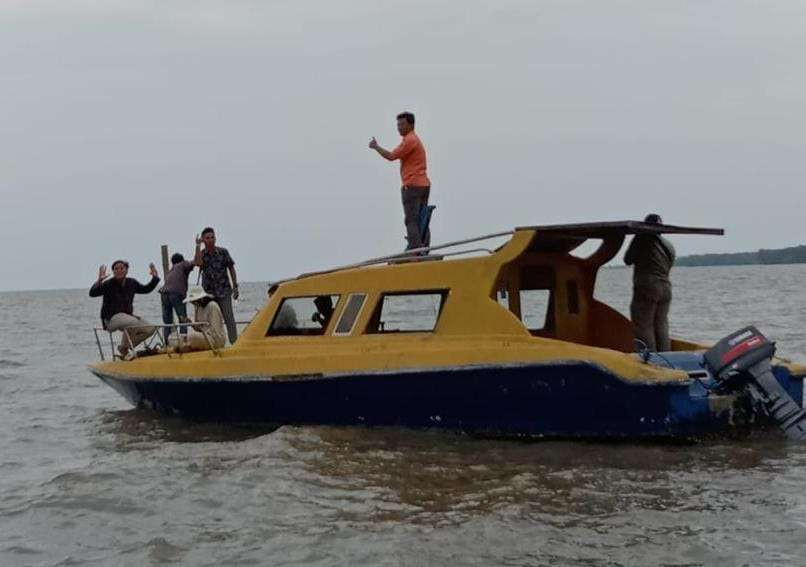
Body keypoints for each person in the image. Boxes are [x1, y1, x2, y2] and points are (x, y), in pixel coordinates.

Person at [369, 111, 432, 250]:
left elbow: (391, 156)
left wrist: (376, 147)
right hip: (423, 185)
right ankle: (423, 247)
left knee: (411, 220)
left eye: (402, 124)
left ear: (411, 125)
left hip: (413, 186)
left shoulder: (410, 140)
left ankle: (416, 251)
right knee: (422, 218)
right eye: (398, 125)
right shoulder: (412, 140)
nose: (399, 127)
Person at [624, 213, 676, 352]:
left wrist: (636, 237)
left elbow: (627, 259)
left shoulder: (642, 239)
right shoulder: (668, 245)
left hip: (648, 286)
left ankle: (649, 359)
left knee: (643, 324)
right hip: (666, 287)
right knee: (661, 324)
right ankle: (666, 357)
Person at [89, 260, 160, 358]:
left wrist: (155, 278)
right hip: (110, 319)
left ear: (126, 270)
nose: (119, 270)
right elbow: (92, 293)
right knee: (133, 322)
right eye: (116, 269)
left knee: (151, 329)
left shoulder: (132, 282)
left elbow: (146, 289)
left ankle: (124, 347)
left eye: (122, 268)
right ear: (113, 271)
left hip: (127, 317)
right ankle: (125, 347)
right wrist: (99, 281)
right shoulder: (108, 284)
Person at [194, 227, 239, 344]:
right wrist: (197, 246)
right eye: (207, 238)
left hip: (224, 291)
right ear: (203, 240)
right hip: (209, 294)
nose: (211, 240)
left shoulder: (223, 252)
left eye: (212, 237)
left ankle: (235, 345)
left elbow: (231, 268)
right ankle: (213, 345)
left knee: (229, 319)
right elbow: (198, 263)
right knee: (210, 321)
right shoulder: (202, 254)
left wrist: (235, 286)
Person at [160, 252, 195, 341]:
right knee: (182, 319)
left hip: (164, 293)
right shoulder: (183, 264)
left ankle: (167, 344)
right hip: (176, 293)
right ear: (182, 260)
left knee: (167, 322)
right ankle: (183, 341)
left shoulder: (170, 271)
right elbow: (194, 262)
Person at [183, 285, 227, 350]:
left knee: (192, 337)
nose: (193, 303)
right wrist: (191, 324)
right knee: (181, 337)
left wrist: (202, 333)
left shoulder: (212, 306)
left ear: (201, 298)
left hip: (215, 339)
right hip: (205, 336)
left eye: (194, 301)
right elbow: (199, 328)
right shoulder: (198, 308)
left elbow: (215, 331)